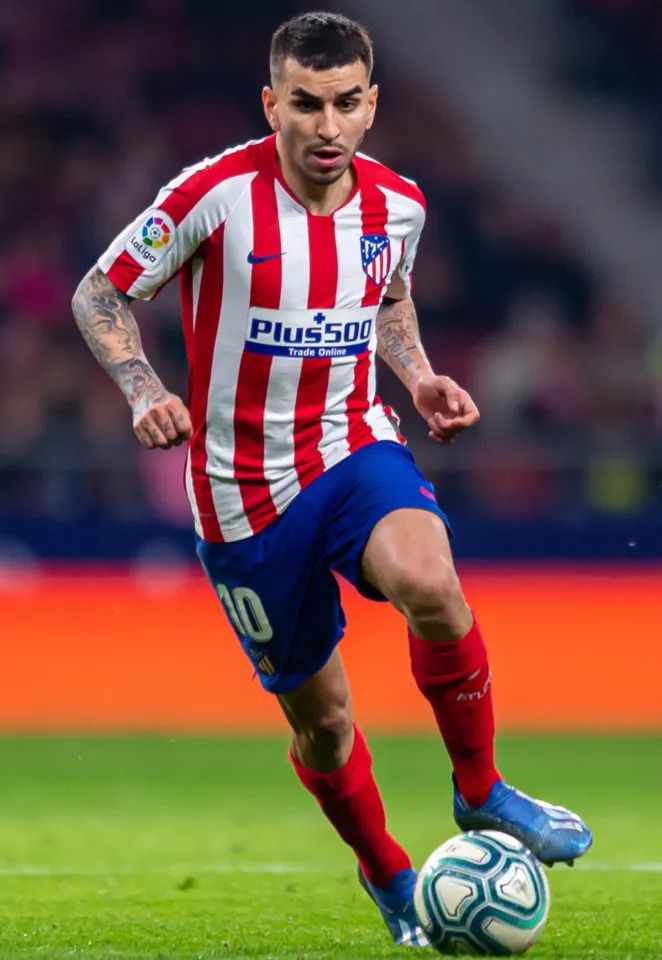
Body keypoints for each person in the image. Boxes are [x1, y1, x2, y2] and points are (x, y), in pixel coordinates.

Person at [72, 11, 592, 947]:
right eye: (306, 104)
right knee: (325, 723)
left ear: (371, 104)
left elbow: (387, 297)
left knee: (433, 583)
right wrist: (144, 389)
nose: (326, 125)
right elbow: (99, 290)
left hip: (351, 446)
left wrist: (417, 375)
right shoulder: (213, 196)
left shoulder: (400, 205)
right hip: (241, 495)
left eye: (346, 103)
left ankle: (481, 790)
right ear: (271, 104)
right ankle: (389, 874)